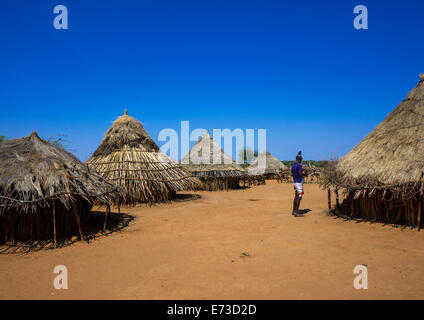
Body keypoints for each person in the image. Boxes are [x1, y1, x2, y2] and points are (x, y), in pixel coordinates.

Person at [291, 151, 306, 217]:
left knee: (296, 196)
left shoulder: (293, 165)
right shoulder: (299, 165)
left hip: (295, 182)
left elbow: (292, 174)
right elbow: (300, 174)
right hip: (299, 183)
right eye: (301, 159)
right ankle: (296, 212)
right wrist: (305, 174)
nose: (301, 161)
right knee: (299, 197)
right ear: (299, 159)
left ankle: (293, 211)